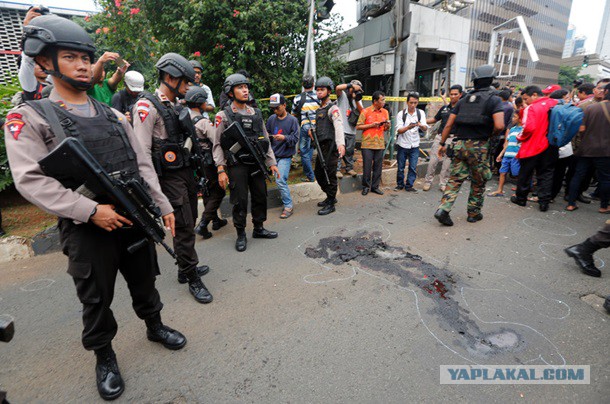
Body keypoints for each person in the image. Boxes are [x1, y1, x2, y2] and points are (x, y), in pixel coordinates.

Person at [4, 15, 187, 400]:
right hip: (86, 226)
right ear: (44, 65)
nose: (84, 64)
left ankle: (154, 326)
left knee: (144, 279)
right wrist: (89, 211)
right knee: (95, 297)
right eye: (70, 57)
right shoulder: (30, 117)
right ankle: (104, 355)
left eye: (86, 57)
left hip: (133, 215)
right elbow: (31, 180)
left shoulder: (114, 115)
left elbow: (140, 164)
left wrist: (161, 203)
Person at [133, 52, 213, 304]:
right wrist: (156, 195)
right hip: (168, 179)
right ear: (170, 77)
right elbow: (142, 153)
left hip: (185, 173)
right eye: (185, 81)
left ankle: (184, 268)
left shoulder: (175, 105)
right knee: (184, 228)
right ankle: (191, 277)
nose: (189, 87)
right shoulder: (146, 107)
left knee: (190, 220)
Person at [213, 73, 280, 251]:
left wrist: (271, 162)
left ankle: (258, 227)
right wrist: (221, 169)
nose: (245, 90)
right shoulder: (224, 115)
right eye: (240, 87)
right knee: (239, 199)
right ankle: (241, 233)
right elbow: (217, 144)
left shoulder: (256, 113)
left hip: (256, 162)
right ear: (230, 92)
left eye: (246, 87)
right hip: (237, 164)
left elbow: (265, 139)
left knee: (260, 195)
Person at [434, 64, 505, 226]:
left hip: (460, 145)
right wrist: (490, 135)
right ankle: (473, 213)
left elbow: (448, 125)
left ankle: (443, 209)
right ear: (491, 80)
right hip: (480, 147)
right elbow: (500, 125)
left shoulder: (463, 100)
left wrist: (443, 143)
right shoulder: (494, 100)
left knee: (455, 179)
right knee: (478, 181)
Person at [183, 87, 228, 240]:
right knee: (219, 191)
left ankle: (215, 221)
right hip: (209, 162)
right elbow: (216, 140)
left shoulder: (185, 119)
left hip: (196, 162)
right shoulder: (203, 122)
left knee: (208, 189)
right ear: (200, 103)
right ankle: (203, 224)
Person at [510, 85, 559, 212]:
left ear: (535, 95)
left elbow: (528, 128)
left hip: (532, 145)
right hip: (550, 145)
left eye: (526, 99)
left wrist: (520, 138)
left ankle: (521, 198)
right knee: (546, 174)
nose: (525, 102)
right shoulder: (554, 103)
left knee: (525, 173)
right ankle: (544, 202)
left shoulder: (532, 108)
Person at [566, 83, 610, 213]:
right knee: (605, 179)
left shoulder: (591, 108)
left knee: (578, 175)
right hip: (605, 151)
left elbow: (581, 129)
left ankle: (570, 203)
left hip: (586, 148)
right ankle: (604, 206)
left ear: (606, 92)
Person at [310, 77, 346, 215]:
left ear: (329, 91)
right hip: (321, 148)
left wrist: (341, 144)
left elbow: (338, 126)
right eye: (317, 90)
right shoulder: (320, 109)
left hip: (331, 148)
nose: (319, 92)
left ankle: (331, 202)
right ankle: (330, 196)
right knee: (319, 173)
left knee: (330, 174)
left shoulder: (333, 108)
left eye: (322, 90)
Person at [423, 85, 462, 192]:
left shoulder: (462, 110)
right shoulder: (444, 108)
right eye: (451, 94)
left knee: (447, 163)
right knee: (433, 161)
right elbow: (434, 119)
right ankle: (428, 181)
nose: (453, 96)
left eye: (456, 94)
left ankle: (443, 183)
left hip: (452, 139)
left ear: (460, 95)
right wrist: (421, 121)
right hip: (439, 138)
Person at [266, 93, 299, 218]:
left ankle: (288, 206)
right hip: (273, 156)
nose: (275, 110)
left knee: (280, 180)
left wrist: (284, 138)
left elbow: (295, 138)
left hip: (285, 156)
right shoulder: (271, 119)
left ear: (284, 105)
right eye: (273, 108)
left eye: (277, 107)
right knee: (277, 180)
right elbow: (266, 134)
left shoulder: (292, 120)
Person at [356, 90, 389, 195]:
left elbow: (385, 129)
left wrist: (387, 125)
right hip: (367, 144)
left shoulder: (385, 112)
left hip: (379, 143)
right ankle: (365, 187)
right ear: (375, 101)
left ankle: (375, 187)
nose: (384, 102)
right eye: (382, 100)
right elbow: (358, 126)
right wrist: (371, 125)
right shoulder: (365, 111)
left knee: (378, 167)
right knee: (367, 167)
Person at [395, 92, 428, 192]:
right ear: (407, 102)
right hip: (403, 144)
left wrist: (420, 125)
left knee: (413, 167)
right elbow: (399, 130)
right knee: (400, 167)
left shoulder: (420, 113)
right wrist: (408, 127)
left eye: (415, 103)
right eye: (411, 103)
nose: (413, 105)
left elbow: (425, 128)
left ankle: (409, 185)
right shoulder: (401, 114)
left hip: (415, 144)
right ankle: (400, 184)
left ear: (417, 103)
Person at [291, 75, 319, 182]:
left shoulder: (298, 98)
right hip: (318, 128)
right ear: (313, 85)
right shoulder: (319, 97)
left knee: (303, 152)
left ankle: (310, 176)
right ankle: (310, 172)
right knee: (311, 148)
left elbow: (293, 114)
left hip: (305, 127)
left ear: (303, 85)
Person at [488, 110, 522, 197]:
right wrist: (501, 154)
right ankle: (500, 190)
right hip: (507, 155)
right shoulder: (512, 129)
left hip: (516, 156)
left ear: (520, 118)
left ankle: (519, 191)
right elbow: (507, 143)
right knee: (502, 172)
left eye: (514, 117)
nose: (512, 119)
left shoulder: (524, 130)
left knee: (517, 174)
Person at [335, 79, 364, 178]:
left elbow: (362, 112)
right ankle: (337, 169)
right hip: (341, 129)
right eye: (353, 89)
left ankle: (349, 168)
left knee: (350, 151)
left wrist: (356, 99)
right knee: (339, 150)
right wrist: (350, 86)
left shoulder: (358, 99)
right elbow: (338, 88)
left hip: (351, 130)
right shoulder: (342, 96)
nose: (354, 91)